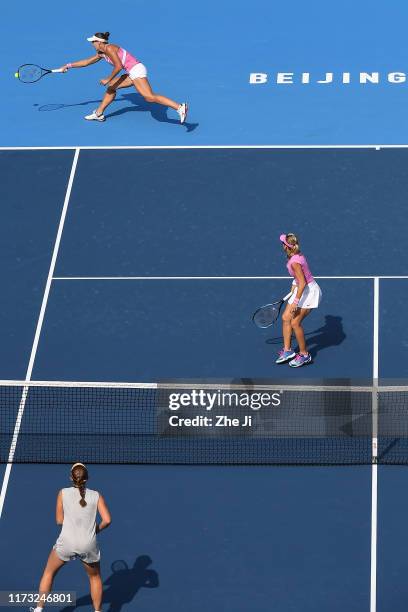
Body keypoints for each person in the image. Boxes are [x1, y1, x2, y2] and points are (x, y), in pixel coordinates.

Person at [31, 463, 111, 612]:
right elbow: (107, 520)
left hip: (66, 542)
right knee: (95, 578)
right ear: (87, 478)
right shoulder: (97, 495)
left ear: (70, 478)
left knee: (48, 573)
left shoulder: (62, 493)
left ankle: (38, 609)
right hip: (88, 544)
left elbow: (59, 521)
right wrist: (95, 531)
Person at [60, 32, 188, 124]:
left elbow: (119, 66)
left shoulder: (109, 48)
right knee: (111, 88)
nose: (92, 44)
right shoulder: (101, 53)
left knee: (149, 97)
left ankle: (179, 107)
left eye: (93, 42)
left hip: (135, 70)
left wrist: (108, 78)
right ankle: (98, 114)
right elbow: (86, 62)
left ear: (99, 42)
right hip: (131, 72)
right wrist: (68, 65)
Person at [276, 233, 322, 367]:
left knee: (295, 322)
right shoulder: (296, 255)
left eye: (283, 243)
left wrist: (296, 300)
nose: (281, 244)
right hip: (300, 288)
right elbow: (300, 277)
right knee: (285, 318)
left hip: (309, 292)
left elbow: (303, 282)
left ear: (286, 246)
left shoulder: (294, 261)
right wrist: (293, 285)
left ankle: (304, 354)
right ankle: (288, 351)